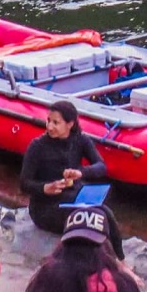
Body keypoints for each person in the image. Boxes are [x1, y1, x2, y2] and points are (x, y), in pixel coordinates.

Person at [19, 100, 109, 234]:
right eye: (48, 121)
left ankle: (117, 251)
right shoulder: (37, 146)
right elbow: (24, 183)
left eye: (56, 123)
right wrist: (45, 188)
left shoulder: (81, 140)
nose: (49, 127)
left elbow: (101, 167)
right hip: (45, 205)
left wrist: (81, 172)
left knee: (103, 211)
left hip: (72, 195)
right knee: (82, 219)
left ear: (70, 124)